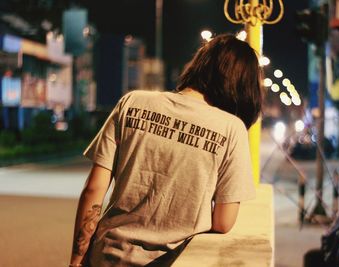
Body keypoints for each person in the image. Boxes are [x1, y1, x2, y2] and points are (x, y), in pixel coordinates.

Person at [68, 33, 263, 267]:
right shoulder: (232, 129)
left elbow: (93, 189)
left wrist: (76, 261)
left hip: (108, 256)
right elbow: (223, 222)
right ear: (243, 85)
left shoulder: (132, 102)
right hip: (171, 261)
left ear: (199, 65)